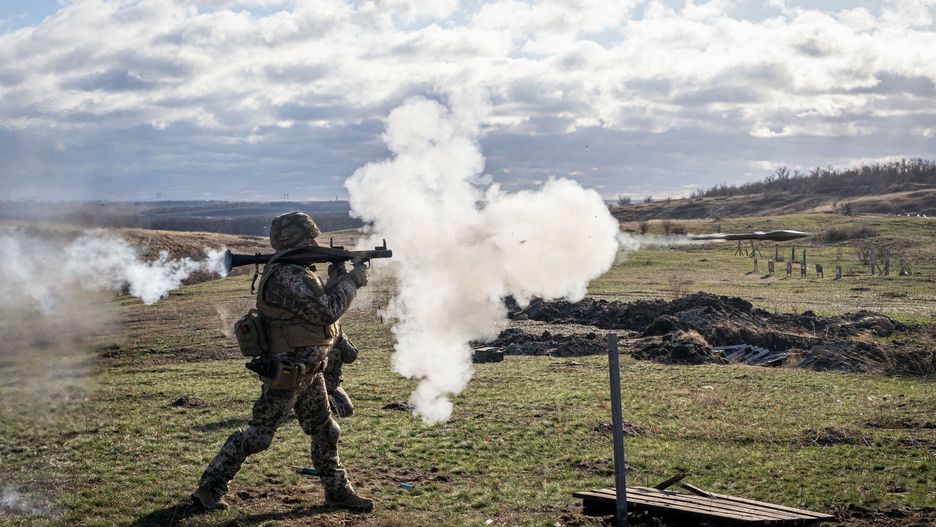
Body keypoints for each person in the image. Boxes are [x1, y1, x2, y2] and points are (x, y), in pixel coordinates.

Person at [191, 211, 372, 512]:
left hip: (310, 372)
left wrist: (338, 276)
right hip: (288, 372)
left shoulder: (300, 272)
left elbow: (319, 309)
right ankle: (209, 489)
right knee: (259, 436)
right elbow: (326, 311)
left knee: (327, 431)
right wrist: (352, 281)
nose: (315, 242)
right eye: (309, 237)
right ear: (293, 240)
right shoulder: (285, 276)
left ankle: (337, 492)